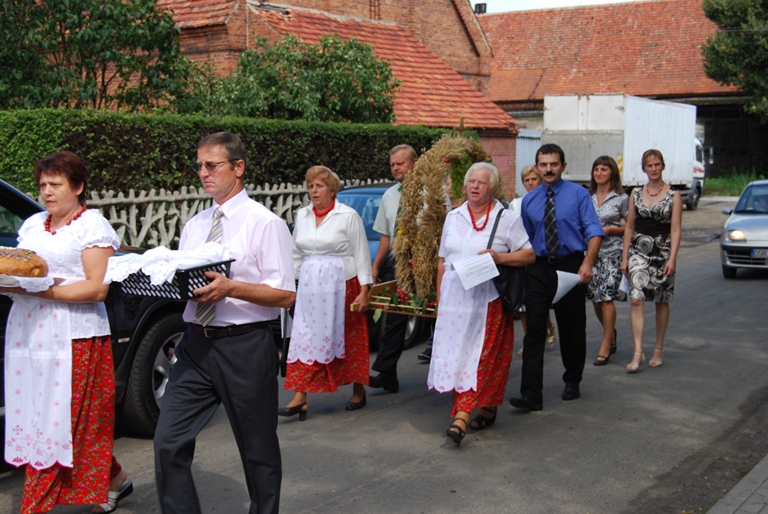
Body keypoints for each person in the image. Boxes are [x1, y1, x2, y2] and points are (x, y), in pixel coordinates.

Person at [154, 132, 295, 514]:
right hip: (195, 345)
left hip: (245, 346)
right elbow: (189, 282)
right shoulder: (195, 225)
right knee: (168, 442)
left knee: (258, 451)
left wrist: (232, 289)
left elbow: (284, 295)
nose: (203, 173)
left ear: (238, 168)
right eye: (199, 165)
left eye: (211, 165)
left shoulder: (265, 224)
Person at [0, 151, 132, 514]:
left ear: (78, 187)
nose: (47, 192)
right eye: (42, 185)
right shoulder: (33, 225)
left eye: (56, 184)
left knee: (57, 423)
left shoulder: (91, 226)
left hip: (74, 337)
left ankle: (34, 507)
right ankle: (114, 478)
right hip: (30, 332)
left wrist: (42, 290)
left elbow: (96, 288)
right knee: (49, 417)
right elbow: (25, 272)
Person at [429, 162, 534, 445]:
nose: (475, 187)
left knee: (480, 357)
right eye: (471, 182)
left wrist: (500, 258)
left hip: (487, 301)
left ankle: (461, 415)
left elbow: (529, 255)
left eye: (482, 183)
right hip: (454, 301)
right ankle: (488, 406)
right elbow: (442, 261)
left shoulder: (506, 218)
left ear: (494, 188)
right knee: (458, 354)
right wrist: (440, 299)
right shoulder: (453, 216)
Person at [509, 144, 603, 412]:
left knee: (572, 327)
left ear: (563, 165)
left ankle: (572, 380)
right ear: (537, 166)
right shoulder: (529, 201)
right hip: (538, 268)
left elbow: (594, 231)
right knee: (534, 329)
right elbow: (524, 241)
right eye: (543, 164)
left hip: (571, 265)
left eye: (553, 164)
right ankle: (530, 394)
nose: (548, 169)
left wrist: (587, 262)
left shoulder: (579, 195)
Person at [279, 166, 372, 418]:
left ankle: (358, 389)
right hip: (310, 286)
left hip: (343, 284)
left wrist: (364, 291)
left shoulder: (348, 215)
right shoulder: (302, 215)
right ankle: (300, 396)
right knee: (304, 338)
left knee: (348, 336)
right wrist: (292, 287)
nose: (313, 191)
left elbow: (361, 254)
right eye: (310, 186)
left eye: (319, 186)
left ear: (332, 190)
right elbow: (296, 254)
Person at [621, 149, 682, 372]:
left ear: (662, 166)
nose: (653, 169)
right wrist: (625, 256)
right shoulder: (635, 193)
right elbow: (629, 226)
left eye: (657, 164)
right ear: (644, 168)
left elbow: (676, 230)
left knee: (661, 300)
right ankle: (638, 352)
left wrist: (672, 258)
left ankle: (658, 346)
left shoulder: (674, 194)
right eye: (649, 165)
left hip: (663, 251)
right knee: (636, 299)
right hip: (639, 250)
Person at [368, 145, 418, 392]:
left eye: (401, 163)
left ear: (415, 163)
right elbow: (386, 236)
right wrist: (375, 265)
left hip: (427, 264)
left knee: (435, 317)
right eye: (392, 165)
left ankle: (446, 375)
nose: (396, 168)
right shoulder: (389, 196)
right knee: (395, 319)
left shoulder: (433, 191)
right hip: (399, 265)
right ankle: (387, 373)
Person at [587, 156, 629, 366]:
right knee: (595, 299)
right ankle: (610, 332)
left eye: (604, 169)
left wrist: (612, 230)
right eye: (597, 169)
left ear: (612, 172)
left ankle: (606, 345)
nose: (600, 173)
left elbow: (631, 228)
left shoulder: (621, 198)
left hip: (613, 252)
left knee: (606, 298)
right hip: (591, 254)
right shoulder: (587, 197)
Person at [510, 164, 557, 352]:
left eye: (533, 179)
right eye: (526, 181)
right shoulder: (516, 203)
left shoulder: (548, 200)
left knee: (538, 300)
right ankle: (529, 339)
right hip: (520, 256)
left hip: (539, 256)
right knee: (523, 303)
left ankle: (548, 326)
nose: (530, 183)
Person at [417, 174, 462, 362]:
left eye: (453, 183)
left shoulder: (465, 212)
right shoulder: (443, 210)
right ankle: (434, 343)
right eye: (447, 183)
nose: (449, 187)